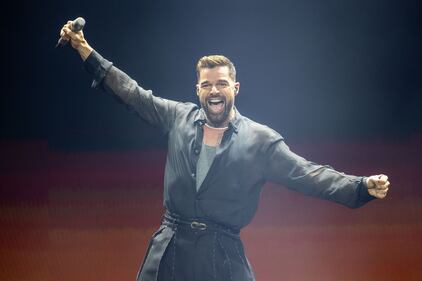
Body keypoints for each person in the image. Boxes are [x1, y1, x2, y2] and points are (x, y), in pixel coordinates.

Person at [59, 20, 390, 281]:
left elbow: (309, 174)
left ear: (235, 88)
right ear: (197, 89)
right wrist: (84, 48)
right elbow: (132, 93)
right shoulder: (179, 117)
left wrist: (359, 186)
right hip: (169, 248)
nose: (213, 90)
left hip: (223, 254)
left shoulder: (260, 140)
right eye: (206, 84)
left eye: (221, 84)